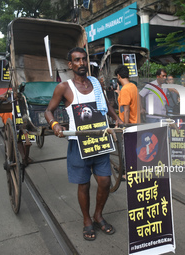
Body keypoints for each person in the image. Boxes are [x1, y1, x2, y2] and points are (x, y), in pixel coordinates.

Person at [45, 47, 122, 241]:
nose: (81, 63)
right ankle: (87, 220)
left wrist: (116, 119)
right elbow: (49, 111)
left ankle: (98, 215)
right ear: (70, 65)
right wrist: (55, 125)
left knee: (105, 181)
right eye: (77, 60)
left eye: (84, 60)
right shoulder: (64, 87)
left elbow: (107, 103)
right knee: (84, 185)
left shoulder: (96, 83)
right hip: (79, 144)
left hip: (100, 141)